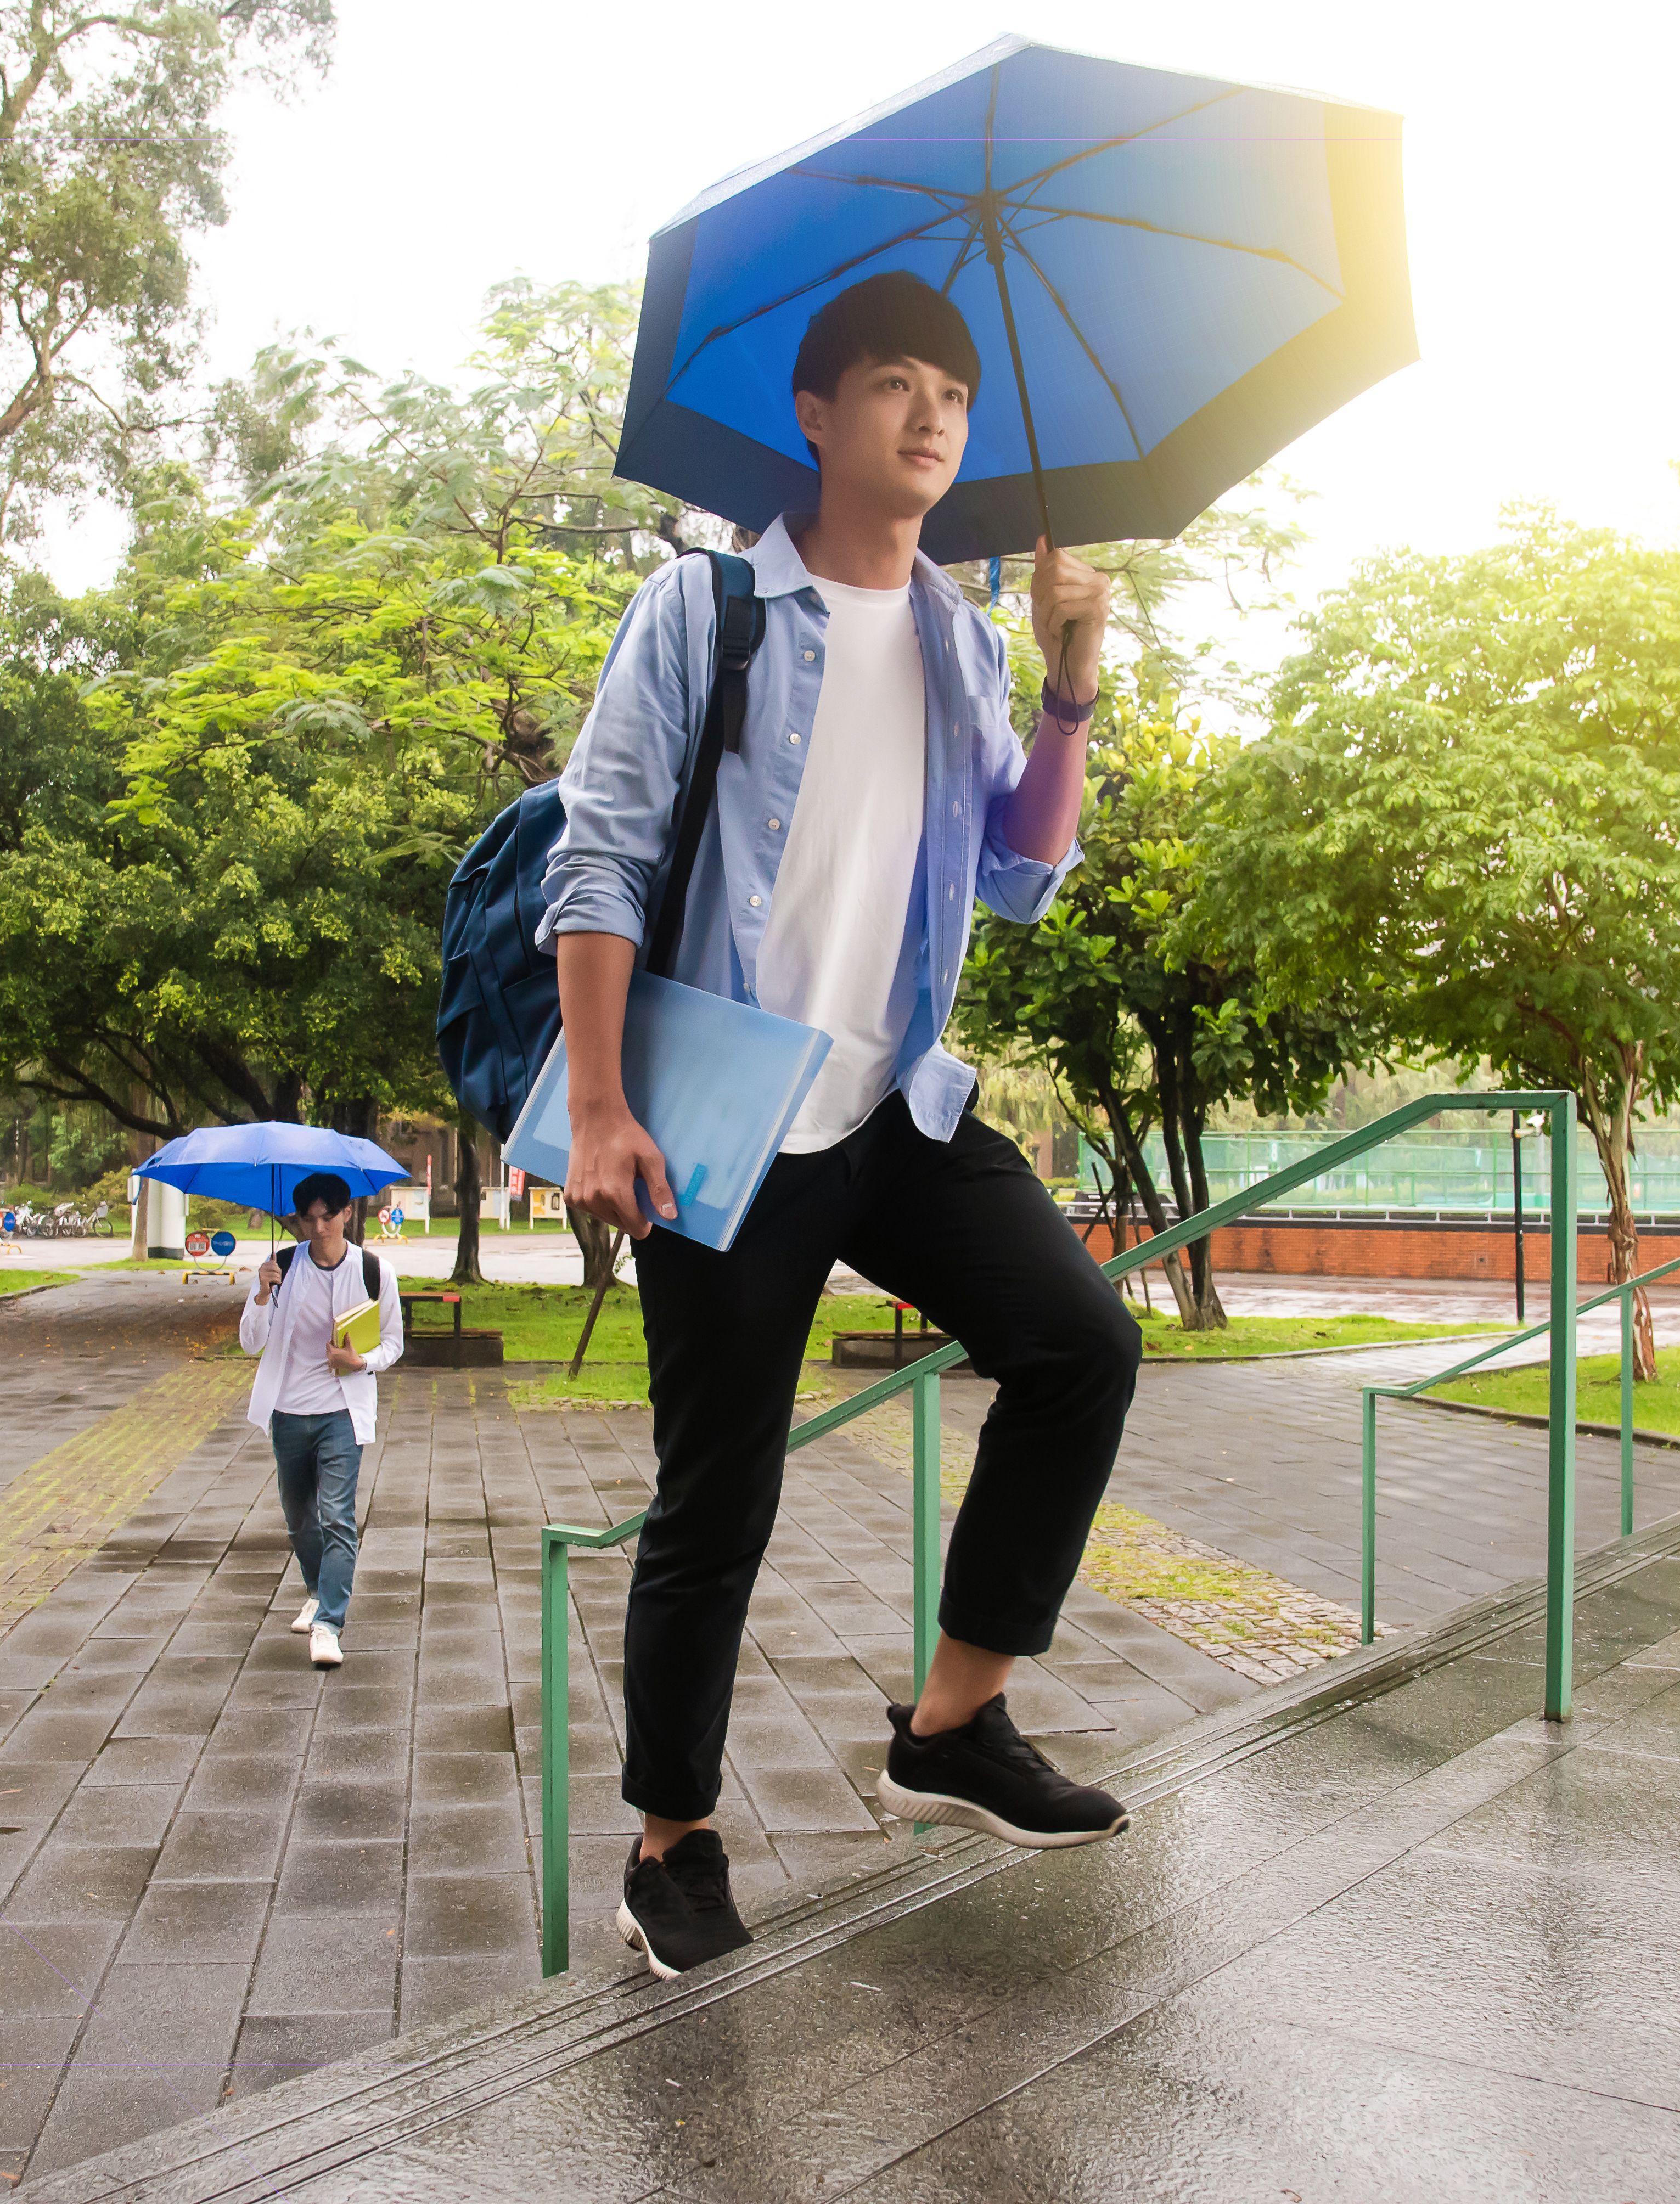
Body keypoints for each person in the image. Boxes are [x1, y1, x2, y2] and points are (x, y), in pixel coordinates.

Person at [541, 270, 1139, 1980]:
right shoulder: (706, 609)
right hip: (725, 1117)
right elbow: (601, 859)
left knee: (1082, 1344)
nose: (933, 415)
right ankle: (671, 1840)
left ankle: (953, 1725)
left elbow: (1020, 873)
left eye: (953, 390)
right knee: (716, 1492)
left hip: (894, 1100)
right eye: (894, 383)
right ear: (815, 414)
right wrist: (600, 1109)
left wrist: (1068, 688)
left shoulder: (961, 639)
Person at [238, 1171, 406, 1670]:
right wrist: (262, 1295)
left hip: (341, 1413)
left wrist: (361, 1362)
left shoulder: (374, 1271)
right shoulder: (283, 1267)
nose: (318, 1228)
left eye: (328, 1217)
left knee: (337, 1516)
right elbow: (250, 1342)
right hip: (288, 1412)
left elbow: (393, 1344)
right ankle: (317, 1590)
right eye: (308, 1219)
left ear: (347, 1213)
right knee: (299, 1519)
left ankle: (329, 1623)